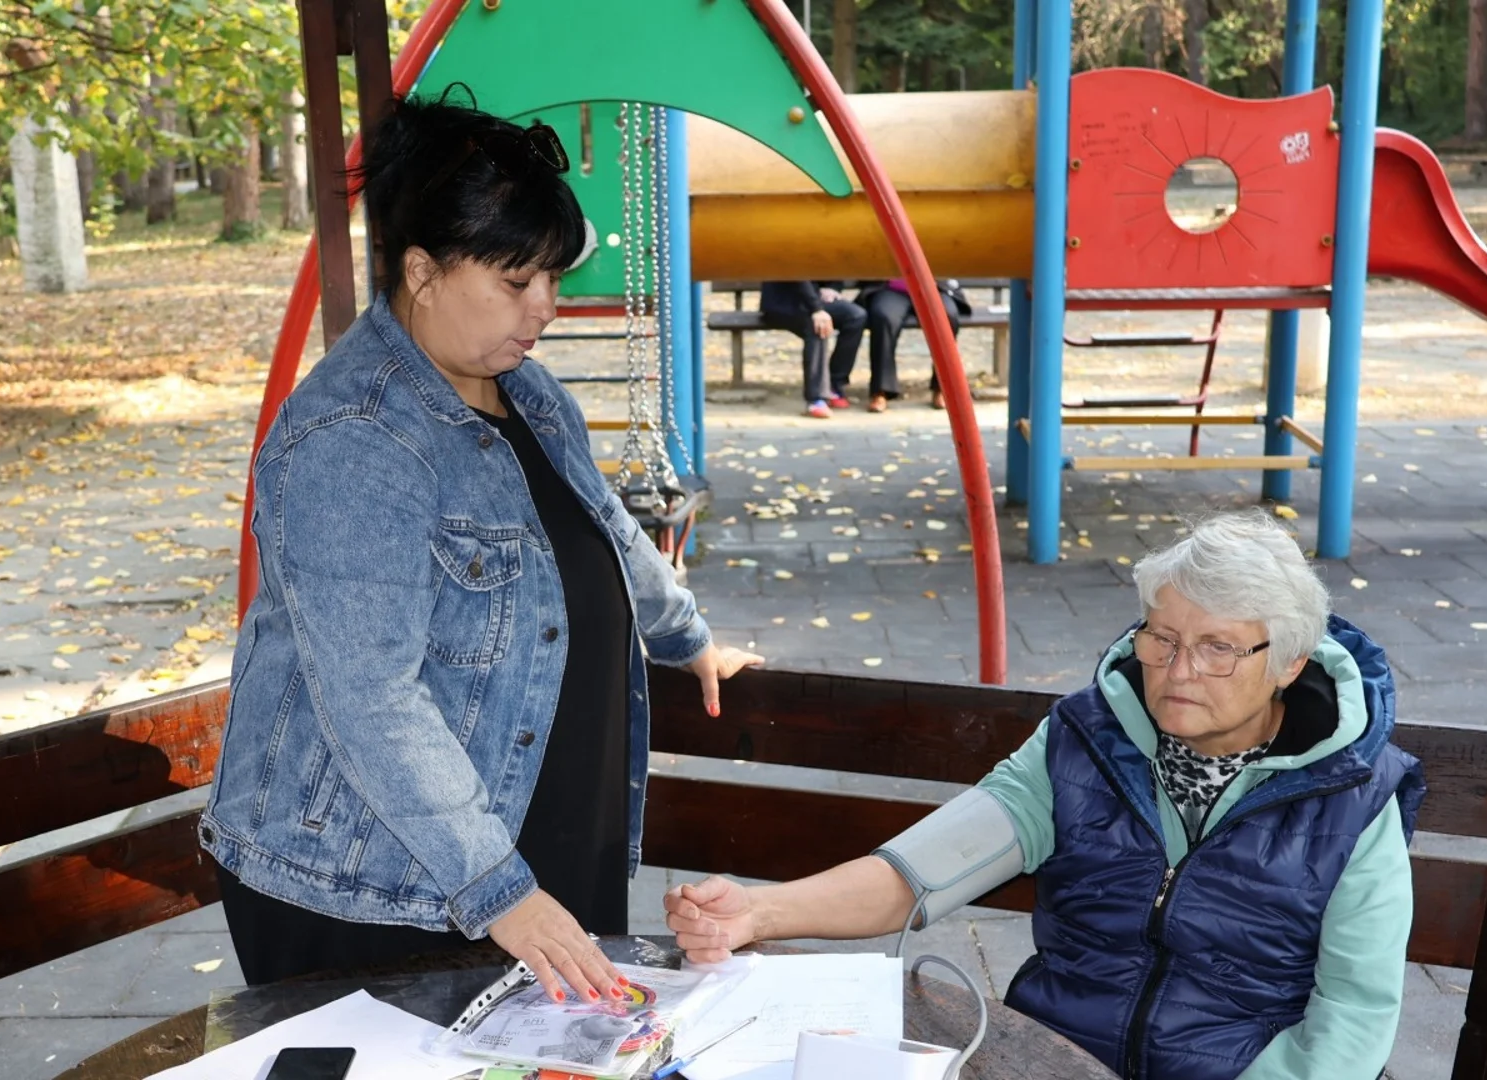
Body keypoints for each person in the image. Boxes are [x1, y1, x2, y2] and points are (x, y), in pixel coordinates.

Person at [201, 88, 763, 1003]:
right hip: (379, 885)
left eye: (550, 275)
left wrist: (684, 634)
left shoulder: (529, 394)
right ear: (422, 270)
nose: (544, 303)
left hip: (528, 845)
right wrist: (500, 890)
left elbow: (605, 530)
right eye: (514, 280)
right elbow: (371, 696)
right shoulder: (357, 438)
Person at [666, 510, 1423, 1080]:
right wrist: (759, 912)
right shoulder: (1085, 742)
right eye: (1160, 637)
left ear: (1288, 662)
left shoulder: (1354, 794)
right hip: (1055, 1057)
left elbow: (1352, 1017)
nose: (1177, 669)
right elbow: (919, 872)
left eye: (1218, 647)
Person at [853, 278, 972, 412]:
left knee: (946, 316)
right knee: (883, 317)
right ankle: (880, 391)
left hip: (933, 287)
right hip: (890, 288)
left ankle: (943, 388)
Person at [758, 281, 865, 418]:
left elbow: (833, 265)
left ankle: (834, 383)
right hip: (783, 303)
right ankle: (816, 400)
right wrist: (816, 309)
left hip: (813, 300)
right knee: (817, 324)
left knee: (856, 316)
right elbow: (797, 275)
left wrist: (832, 288)